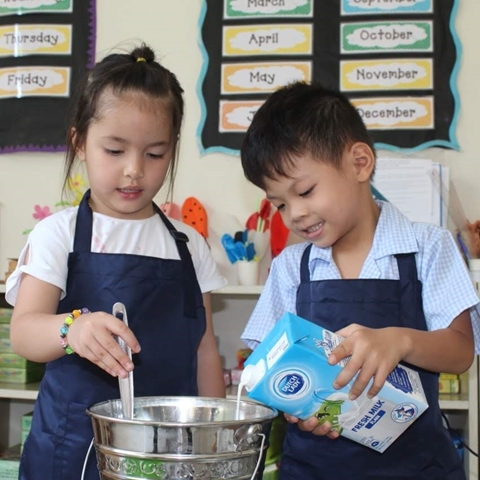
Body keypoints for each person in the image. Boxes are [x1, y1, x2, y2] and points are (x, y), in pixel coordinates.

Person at [6, 43, 227, 480]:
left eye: (155, 154)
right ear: (80, 143)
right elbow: (25, 332)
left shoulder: (188, 244)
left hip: (168, 455)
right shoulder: (60, 233)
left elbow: (204, 349)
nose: (133, 170)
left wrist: (215, 438)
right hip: (73, 452)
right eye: (114, 150)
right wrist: (73, 328)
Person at [240, 81, 480, 480]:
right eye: (280, 204)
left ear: (359, 163)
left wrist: (399, 340)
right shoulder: (290, 268)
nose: (295, 214)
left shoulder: (426, 247)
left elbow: (459, 352)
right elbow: (263, 367)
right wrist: (295, 405)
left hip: (415, 468)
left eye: (305, 191)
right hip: (313, 468)